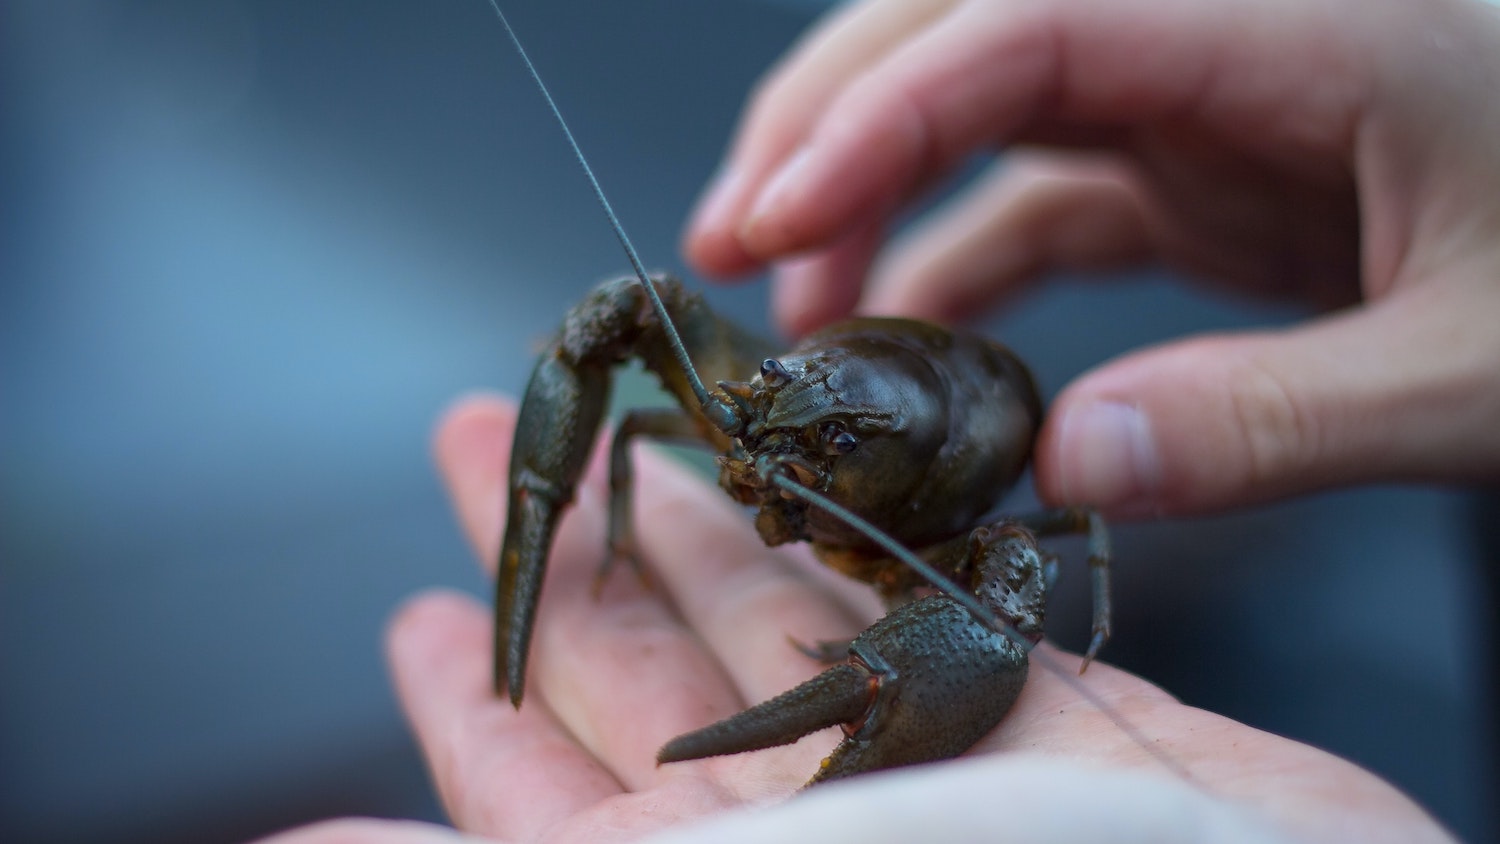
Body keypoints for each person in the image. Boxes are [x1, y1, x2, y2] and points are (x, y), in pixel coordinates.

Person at [262, 0, 1498, 840]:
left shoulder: (971, 528)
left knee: (1005, 591)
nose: (756, 464)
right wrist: (578, 502)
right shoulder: (771, 404)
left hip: (950, 462)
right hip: (872, 380)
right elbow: (629, 331)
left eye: (815, 454)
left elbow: (1023, 569)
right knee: (632, 309)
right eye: (762, 423)